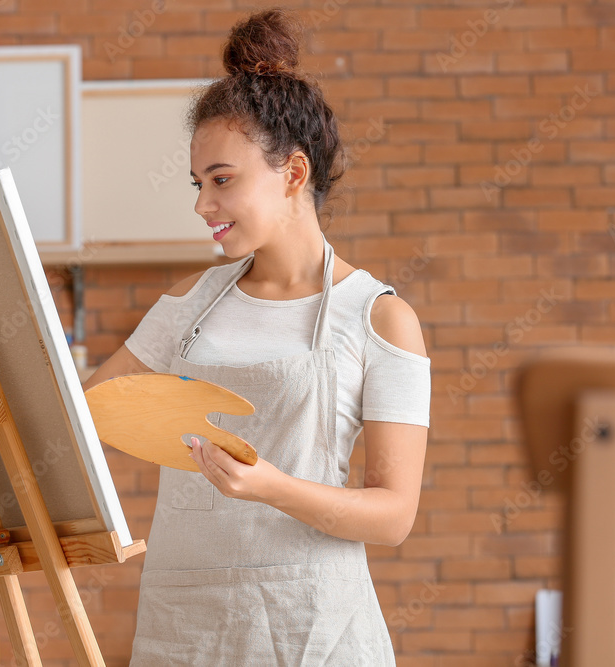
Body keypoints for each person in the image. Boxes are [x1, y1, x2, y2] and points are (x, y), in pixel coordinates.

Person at [84, 7, 430, 665]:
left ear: (294, 174)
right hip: (183, 624)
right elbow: (85, 413)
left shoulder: (380, 318)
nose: (202, 205)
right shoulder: (187, 304)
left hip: (314, 626)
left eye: (222, 181)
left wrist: (270, 485)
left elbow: (393, 514)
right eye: (198, 183)